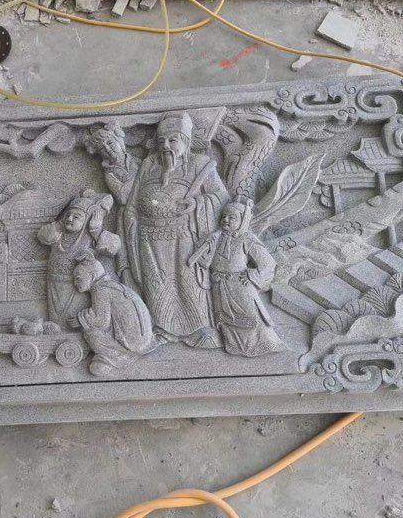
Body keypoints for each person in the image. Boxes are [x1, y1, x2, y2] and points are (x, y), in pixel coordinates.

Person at [123, 111, 230, 348]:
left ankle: (200, 329)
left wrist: (197, 204)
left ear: (186, 142)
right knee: (158, 284)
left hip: (186, 236)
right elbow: (132, 203)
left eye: (173, 140)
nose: (165, 146)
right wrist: (132, 227)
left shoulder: (201, 164)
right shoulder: (149, 165)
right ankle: (163, 329)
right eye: (161, 141)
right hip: (150, 239)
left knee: (188, 282)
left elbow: (221, 198)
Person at [188, 201, 287, 357]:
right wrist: (208, 246)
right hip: (219, 284)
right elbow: (205, 263)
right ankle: (235, 347)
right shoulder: (217, 237)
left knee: (251, 317)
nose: (225, 220)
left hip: (240, 285)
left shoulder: (247, 238)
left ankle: (265, 345)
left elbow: (268, 263)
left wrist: (253, 276)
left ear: (242, 220)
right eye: (224, 216)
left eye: (231, 217)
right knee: (226, 319)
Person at [38, 191, 120, 329]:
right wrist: (60, 223)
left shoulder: (89, 236)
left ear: (86, 220)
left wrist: (96, 230)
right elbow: (42, 236)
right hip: (54, 283)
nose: (70, 218)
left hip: (77, 285)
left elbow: (114, 248)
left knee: (71, 321)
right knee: (55, 321)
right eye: (68, 215)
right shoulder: (59, 234)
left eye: (76, 217)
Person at [74, 252, 156, 376]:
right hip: (144, 341)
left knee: (91, 334)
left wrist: (81, 318)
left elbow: (101, 322)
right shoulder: (113, 286)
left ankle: (119, 357)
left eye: (78, 278)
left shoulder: (100, 289)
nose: (75, 283)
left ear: (92, 275)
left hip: (133, 344)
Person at [85, 123, 140, 287]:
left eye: (110, 143)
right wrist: (141, 177)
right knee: (132, 259)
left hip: (149, 213)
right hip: (129, 218)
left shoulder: (138, 162)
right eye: (102, 149)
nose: (108, 150)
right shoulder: (110, 173)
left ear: (120, 141)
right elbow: (122, 197)